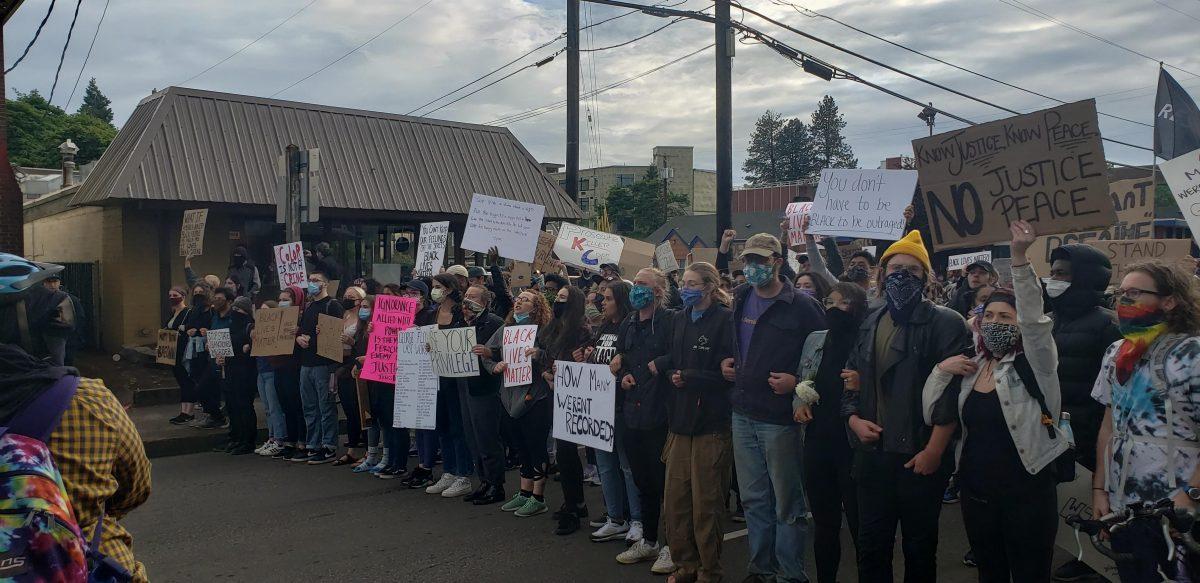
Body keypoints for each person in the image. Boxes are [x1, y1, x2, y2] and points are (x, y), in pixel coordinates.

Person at [923, 221, 1066, 583]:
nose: (995, 322)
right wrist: (941, 370)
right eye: (989, 316)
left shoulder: (1037, 364)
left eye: (1005, 317)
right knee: (991, 572)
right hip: (977, 491)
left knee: (1031, 574)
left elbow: (1034, 321)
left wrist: (1019, 257)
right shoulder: (972, 366)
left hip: (1028, 490)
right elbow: (930, 411)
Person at [842, 229, 971, 583]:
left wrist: (934, 449)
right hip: (872, 453)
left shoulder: (946, 322)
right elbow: (851, 374)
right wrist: (853, 419)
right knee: (871, 546)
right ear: (882, 274)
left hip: (919, 454)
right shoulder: (871, 319)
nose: (902, 275)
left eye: (912, 270)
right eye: (895, 268)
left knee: (919, 548)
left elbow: (953, 392)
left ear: (926, 277)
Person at [723, 233, 827, 583]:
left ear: (778, 262)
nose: (753, 268)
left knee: (787, 505)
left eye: (761, 262)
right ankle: (760, 569)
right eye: (749, 261)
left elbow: (823, 359)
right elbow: (738, 344)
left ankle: (790, 575)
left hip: (780, 419)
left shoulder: (803, 306)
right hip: (743, 412)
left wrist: (796, 382)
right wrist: (729, 363)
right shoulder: (740, 296)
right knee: (754, 500)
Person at [1091, 261, 1200, 583]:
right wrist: (1100, 489)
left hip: (1178, 506)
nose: (1124, 300)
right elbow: (1109, 427)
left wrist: (1189, 497)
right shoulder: (1116, 353)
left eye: (1135, 292)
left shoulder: (1192, 355)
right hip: (1126, 505)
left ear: (1169, 301)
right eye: (1121, 293)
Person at [1041, 246, 1122, 582]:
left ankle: (1094, 558)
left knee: (1093, 494)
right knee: (1062, 495)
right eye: (1054, 272)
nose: (1054, 280)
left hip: (1090, 429)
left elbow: (1116, 387)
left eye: (1063, 274)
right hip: (1053, 426)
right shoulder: (1050, 320)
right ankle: (1073, 549)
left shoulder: (1107, 326)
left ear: (1084, 279)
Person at [660, 262, 735, 583]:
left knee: (706, 503)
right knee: (676, 501)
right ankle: (685, 564)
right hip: (680, 421)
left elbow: (729, 373)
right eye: (683, 283)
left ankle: (709, 569)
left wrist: (690, 377)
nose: (684, 288)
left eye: (692, 283)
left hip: (711, 423)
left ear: (708, 286)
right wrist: (670, 373)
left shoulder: (725, 321)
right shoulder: (678, 319)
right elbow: (671, 360)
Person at [798, 282, 869, 583]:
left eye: (843, 304)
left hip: (852, 443)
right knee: (825, 523)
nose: (834, 309)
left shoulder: (868, 340)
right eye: (830, 302)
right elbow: (805, 378)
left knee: (860, 522)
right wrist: (799, 401)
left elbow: (886, 387)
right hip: (817, 440)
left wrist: (863, 382)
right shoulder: (816, 339)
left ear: (858, 307)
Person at [613, 268, 677, 572]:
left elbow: (682, 353)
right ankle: (649, 541)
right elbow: (622, 354)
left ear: (659, 290)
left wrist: (660, 363)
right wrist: (623, 371)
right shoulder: (628, 322)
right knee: (643, 482)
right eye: (635, 283)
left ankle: (671, 546)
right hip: (633, 411)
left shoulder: (669, 320)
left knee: (666, 483)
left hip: (660, 411)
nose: (636, 288)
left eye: (643, 284)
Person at [482, 289, 556, 516]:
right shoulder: (506, 330)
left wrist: (539, 355)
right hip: (510, 397)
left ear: (536, 308)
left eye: (525, 300)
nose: (519, 303)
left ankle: (538, 496)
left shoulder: (544, 331)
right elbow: (489, 353)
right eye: (518, 299)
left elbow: (554, 356)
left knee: (535, 445)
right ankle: (524, 492)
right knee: (520, 445)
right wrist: (493, 365)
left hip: (536, 397)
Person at [583, 281, 645, 545]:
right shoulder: (604, 327)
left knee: (627, 466)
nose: (602, 303)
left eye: (607, 299)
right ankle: (615, 517)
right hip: (601, 407)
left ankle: (637, 519)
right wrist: (588, 355)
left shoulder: (629, 326)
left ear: (620, 300)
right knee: (606, 466)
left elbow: (635, 358)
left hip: (622, 405)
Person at [538, 285, 594, 534]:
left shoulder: (582, 329)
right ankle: (573, 501)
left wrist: (565, 368)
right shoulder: (553, 327)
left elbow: (581, 361)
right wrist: (546, 372)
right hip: (555, 391)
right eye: (557, 298)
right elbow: (548, 356)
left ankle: (574, 506)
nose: (558, 302)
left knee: (568, 453)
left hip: (574, 397)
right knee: (563, 454)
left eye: (563, 298)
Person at [425, 273, 476, 498]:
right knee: (442, 425)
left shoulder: (460, 313)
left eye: (438, 287)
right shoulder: (432, 313)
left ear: (449, 289)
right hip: (436, 376)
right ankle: (449, 471)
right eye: (433, 287)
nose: (434, 290)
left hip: (457, 379)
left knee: (458, 426)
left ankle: (463, 474)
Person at [460, 285, 508, 505]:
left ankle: (496, 485)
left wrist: (491, 353)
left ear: (485, 302)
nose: (467, 300)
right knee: (473, 438)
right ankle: (484, 481)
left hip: (486, 387)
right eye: (466, 296)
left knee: (488, 437)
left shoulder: (495, 323)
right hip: (466, 385)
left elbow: (504, 349)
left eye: (472, 297)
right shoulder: (462, 322)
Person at [294, 271, 345, 464]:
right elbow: (304, 331)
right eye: (310, 280)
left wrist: (317, 337)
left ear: (325, 284)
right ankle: (313, 443)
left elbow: (336, 333)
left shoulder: (332, 305)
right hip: (306, 363)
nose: (311, 283)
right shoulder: (308, 306)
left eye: (316, 280)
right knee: (309, 406)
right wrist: (299, 337)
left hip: (323, 363)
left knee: (326, 406)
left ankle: (328, 445)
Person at [208, 288, 256, 454]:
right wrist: (220, 356)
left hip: (245, 373)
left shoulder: (249, 326)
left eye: (239, 309)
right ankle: (236, 437)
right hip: (230, 371)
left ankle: (248, 440)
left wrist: (249, 346)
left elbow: (255, 344)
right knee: (233, 406)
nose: (235, 312)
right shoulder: (231, 327)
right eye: (233, 309)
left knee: (244, 406)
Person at [183, 281, 226, 430]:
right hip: (195, 350)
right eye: (195, 293)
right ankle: (211, 414)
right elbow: (189, 325)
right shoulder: (194, 310)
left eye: (200, 292)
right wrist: (191, 330)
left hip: (208, 352)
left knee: (205, 385)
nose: (198, 295)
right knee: (197, 382)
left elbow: (216, 328)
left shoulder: (211, 310)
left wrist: (207, 333)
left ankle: (216, 415)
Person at [333, 286, 368, 465]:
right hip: (341, 365)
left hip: (355, 365)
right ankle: (352, 449)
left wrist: (351, 342)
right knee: (349, 410)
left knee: (360, 408)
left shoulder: (364, 320)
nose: (347, 299)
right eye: (345, 296)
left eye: (351, 296)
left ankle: (369, 449)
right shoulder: (343, 316)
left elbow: (364, 345)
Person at [271, 286, 307, 460]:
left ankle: (302, 441)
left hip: (295, 367)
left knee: (296, 404)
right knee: (285, 404)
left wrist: (298, 332)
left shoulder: (303, 319)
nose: (282, 303)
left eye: (286, 299)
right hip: (279, 366)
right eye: (280, 300)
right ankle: (290, 440)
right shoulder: (276, 319)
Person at [165, 285, 198, 425]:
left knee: (186, 380)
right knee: (180, 379)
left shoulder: (188, 312)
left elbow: (190, 329)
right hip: (173, 352)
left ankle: (188, 411)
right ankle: (183, 410)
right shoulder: (172, 313)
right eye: (170, 295)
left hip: (183, 351)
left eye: (175, 295)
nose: (172, 298)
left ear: (183, 296)